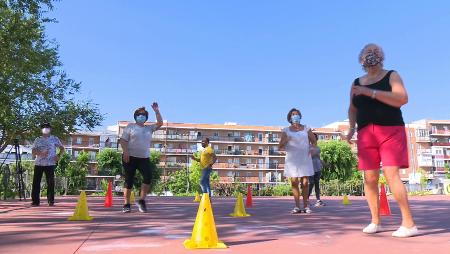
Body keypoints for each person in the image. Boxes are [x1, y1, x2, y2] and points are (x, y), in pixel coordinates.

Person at [347, 43, 418, 237]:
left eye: (374, 52)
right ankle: (375, 221)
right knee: (369, 178)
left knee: (391, 173)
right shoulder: (356, 82)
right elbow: (352, 109)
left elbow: (402, 98)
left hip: (390, 130)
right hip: (365, 134)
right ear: (361, 59)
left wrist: (371, 92)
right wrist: (351, 128)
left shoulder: (391, 75)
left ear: (381, 56)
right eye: (367, 53)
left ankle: (409, 223)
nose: (371, 55)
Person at [120, 103, 163, 213]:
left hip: (144, 158)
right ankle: (126, 204)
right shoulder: (130, 126)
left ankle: (142, 200)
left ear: (146, 118)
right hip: (130, 157)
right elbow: (123, 140)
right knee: (129, 180)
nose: (141, 116)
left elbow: (160, 123)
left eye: (143, 115)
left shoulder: (149, 128)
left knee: (148, 177)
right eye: (139, 114)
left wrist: (156, 111)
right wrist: (125, 152)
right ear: (135, 116)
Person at [279, 108, 316, 214]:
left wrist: (313, 149)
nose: (295, 116)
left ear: (300, 116)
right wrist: (286, 140)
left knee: (305, 182)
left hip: (304, 157)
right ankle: (297, 206)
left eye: (297, 114)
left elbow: (313, 141)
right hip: (292, 159)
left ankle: (306, 206)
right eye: (293, 114)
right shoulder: (286, 130)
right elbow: (280, 146)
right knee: (294, 182)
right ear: (290, 117)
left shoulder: (306, 128)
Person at [31, 122, 64, 207]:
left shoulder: (54, 138)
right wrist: (40, 153)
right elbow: (33, 152)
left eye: (47, 127)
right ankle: (35, 201)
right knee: (36, 183)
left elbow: (62, 148)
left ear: (50, 129)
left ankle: (51, 201)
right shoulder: (37, 139)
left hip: (50, 164)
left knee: (50, 183)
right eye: (44, 127)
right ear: (41, 129)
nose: (45, 128)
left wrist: (58, 156)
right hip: (39, 164)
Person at [309, 133, 324, 207]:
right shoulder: (308, 147)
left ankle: (318, 200)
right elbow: (309, 156)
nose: (314, 138)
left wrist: (323, 162)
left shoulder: (317, 147)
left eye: (315, 137)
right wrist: (314, 152)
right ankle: (307, 199)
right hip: (310, 167)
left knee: (317, 183)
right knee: (311, 183)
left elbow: (318, 157)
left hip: (318, 167)